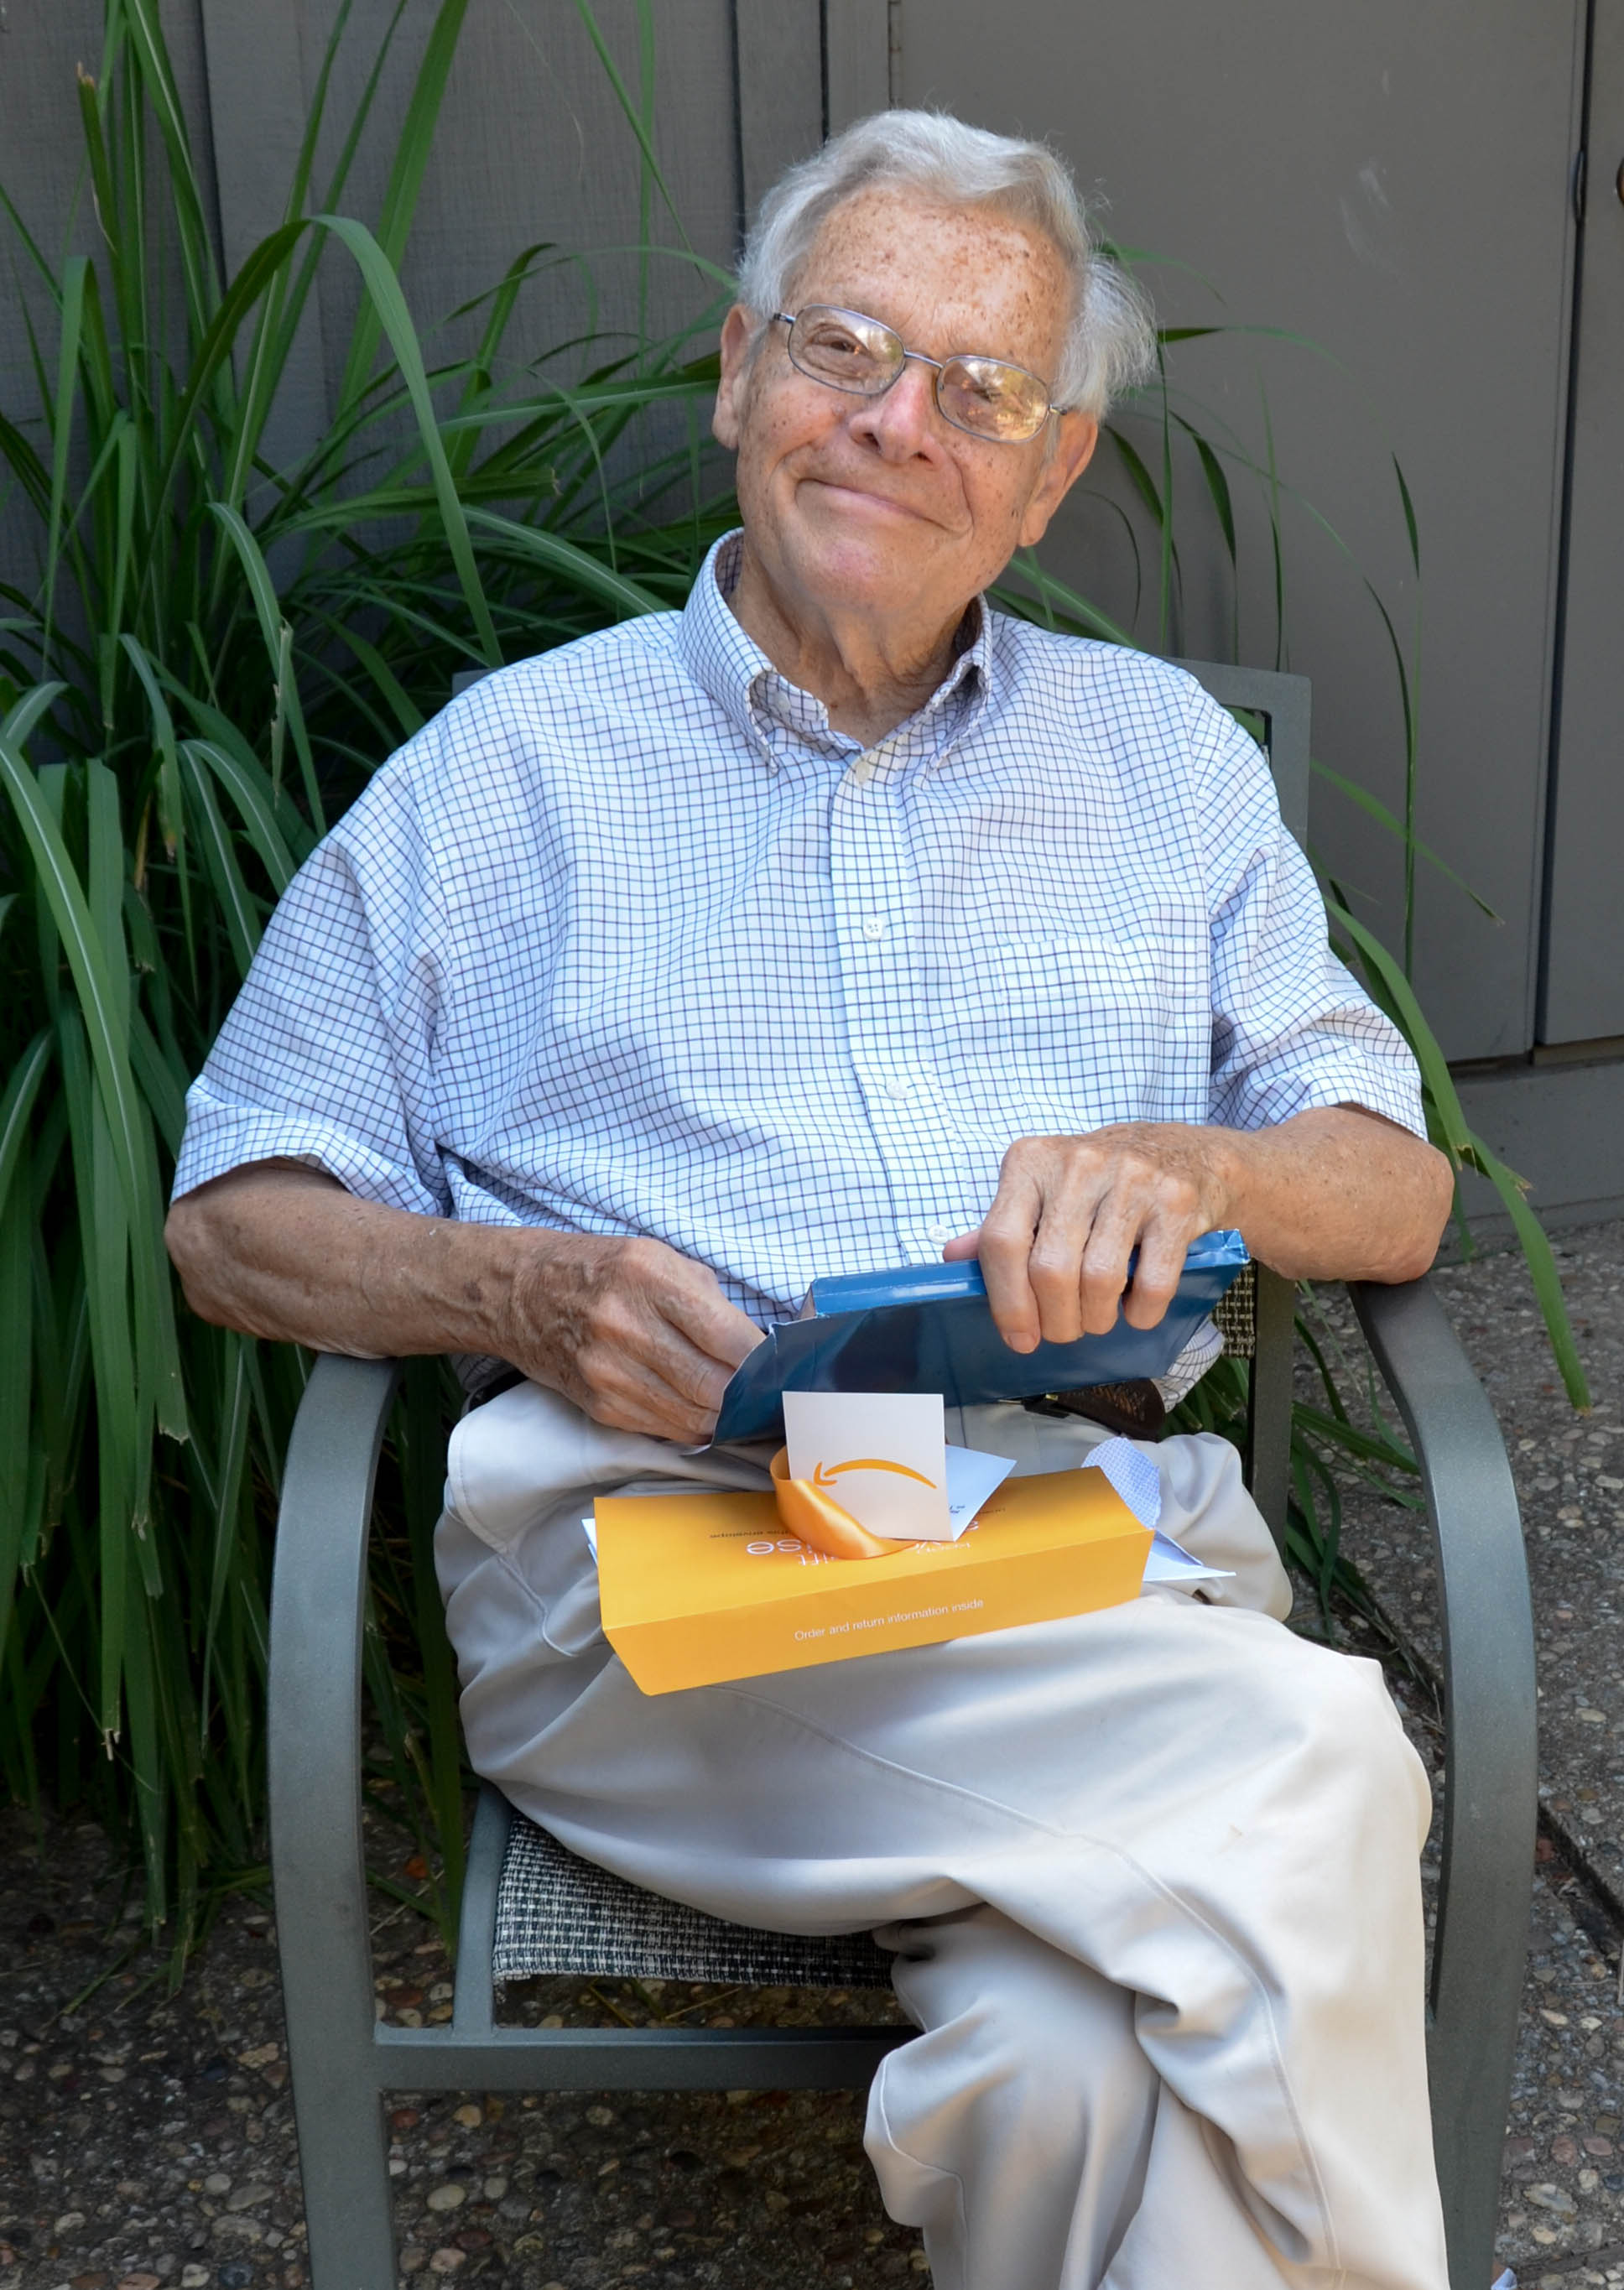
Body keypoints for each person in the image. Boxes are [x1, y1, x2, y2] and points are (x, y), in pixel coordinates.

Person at [167, 110, 1457, 2290]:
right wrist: (517, 1278)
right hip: (663, 1580)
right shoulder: (507, 773)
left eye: (983, 393)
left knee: (1064, 2070)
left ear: (1052, 482)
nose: (896, 422)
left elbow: (1394, 1188)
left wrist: (1195, 1163)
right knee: (1316, 1752)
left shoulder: (1159, 766)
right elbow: (236, 1217)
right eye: (846, 345)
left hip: (1059, 1546)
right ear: (738, 371)